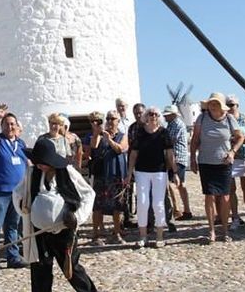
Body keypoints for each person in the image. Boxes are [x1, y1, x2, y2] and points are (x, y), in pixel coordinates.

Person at [13, 138, 97, 292]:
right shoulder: (32, 173)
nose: (39, 165)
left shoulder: (67, 172)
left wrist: (77, 217)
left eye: (42, 161)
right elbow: (18, 192)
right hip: (39, 233)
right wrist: (21, 205)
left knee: (72, 270)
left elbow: (89, 194)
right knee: (40, 271)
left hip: (63, 232)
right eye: (36, 161)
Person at [190, 92, 243, 243]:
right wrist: (193, 158)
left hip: (224, 162)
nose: (213, 106)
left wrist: (233, 151)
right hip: (206, 161)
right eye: (211, 103)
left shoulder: (229, 118)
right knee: (209, 196)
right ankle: (212, 230)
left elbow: (240, 137)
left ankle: (225, 229)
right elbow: (195, 139)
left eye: (216, 104)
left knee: (225, 196)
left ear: (221, 106)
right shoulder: (202, 118)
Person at [0, 104, 29, 274]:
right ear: (2, 126)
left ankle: (13, 257)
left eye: (12, 124)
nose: (10, 127)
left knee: (13, 226)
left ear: (17, 127)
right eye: (6, 124)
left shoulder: (21, 143)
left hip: (16, 192)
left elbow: (27, 163)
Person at [124, 106, 178, 248]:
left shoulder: (164, 133)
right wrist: (129, 173)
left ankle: (160, 236)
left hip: (159, 172)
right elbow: (133, 154)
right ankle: (143, 236)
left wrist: (175, 172)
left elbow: (170, 154)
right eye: (150, 114)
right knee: (142, 203)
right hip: (142, 171)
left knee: (158, 203)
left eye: (156, 114)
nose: (153, 116)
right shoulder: (140, 133)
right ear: (146, 117)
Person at [88, 110, 128, 245]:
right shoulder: (100, 135)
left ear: (118, 121)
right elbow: (93, 146)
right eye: (108, 119)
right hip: (101, 174)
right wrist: (96, 131)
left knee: (118, 205)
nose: (110, 121)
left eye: (113, 119)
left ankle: (116, 233)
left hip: (117, 174)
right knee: (98, 205)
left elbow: (120, 149)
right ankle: (96, 234)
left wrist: (109, 139)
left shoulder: (122, 136)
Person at [226, 94, 245, 228]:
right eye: (228, 105)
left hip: (243, 155)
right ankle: (235, 216)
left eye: (232, 105)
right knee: (231, 189)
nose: (230, 108)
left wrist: (242, 139)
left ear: (237, 105)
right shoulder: (225, 119)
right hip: (230, 156)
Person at [162, 105, 193, 220]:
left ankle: (177, 209)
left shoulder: (177, 124)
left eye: (167, 115)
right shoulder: (172, 124)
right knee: (180, 184)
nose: (165, 117)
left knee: (172, 184)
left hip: (176, 157)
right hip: (177, 157)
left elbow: (170, 140)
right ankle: (186, 210)